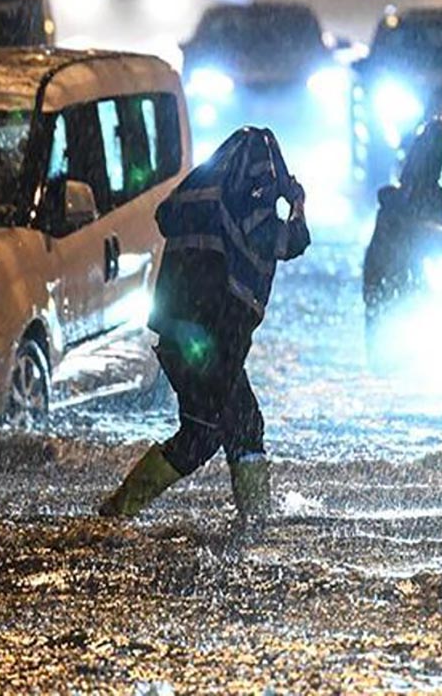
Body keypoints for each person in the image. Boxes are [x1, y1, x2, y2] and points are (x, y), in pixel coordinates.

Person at [98, 127, 310, 524]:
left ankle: (254, 523)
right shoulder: (259, 163)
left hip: (180, 328)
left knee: (239, 425)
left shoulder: (205, 188)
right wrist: (297, 207)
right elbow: (276, 239)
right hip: (217, 327)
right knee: (204, 435)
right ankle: (117, 514)